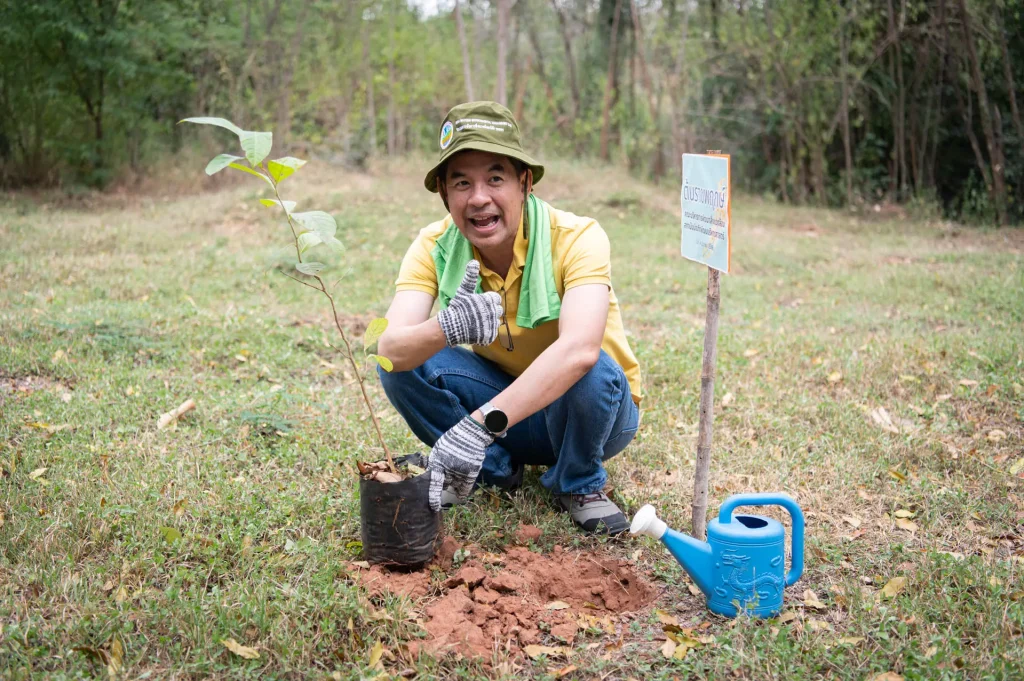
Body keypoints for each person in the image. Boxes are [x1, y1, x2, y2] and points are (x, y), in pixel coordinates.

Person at [376, 101, 642, 535]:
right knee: (400, 363)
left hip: (591, 415)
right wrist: (446, 327)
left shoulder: (578, 237)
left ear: (525, 183)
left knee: (589, 367)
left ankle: (579, 483)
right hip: (508, 408)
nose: (479, 197)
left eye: (495, 178)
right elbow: (388, 348)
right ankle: (495, 469)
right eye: (462, 182)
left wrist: (478, 426)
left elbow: (579, 350)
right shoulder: (433, 246)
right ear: (445, 194)